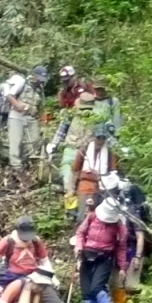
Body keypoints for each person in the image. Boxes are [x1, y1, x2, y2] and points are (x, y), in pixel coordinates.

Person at [74, 192, 127, 303]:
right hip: (87, 255)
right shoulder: (92, 217)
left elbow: (121, 247)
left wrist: (122, 267)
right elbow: (81, 233)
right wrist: (79, 247)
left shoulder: (119, 226)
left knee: (97, 287)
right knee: (86, 290)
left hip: (105, 258)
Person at [46, 91, 99, 221]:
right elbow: (61, 132)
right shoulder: (70, 115)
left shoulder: (97, 119)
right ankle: (70, 210)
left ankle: (85, 211)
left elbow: (105, 136)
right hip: (71, 149)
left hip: (89, 152)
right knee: (68, 181)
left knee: (85, 182)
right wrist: (54, 144)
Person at [0, 216, 49, 303]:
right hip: (12, 275)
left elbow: (44, 260)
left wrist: (51, 276)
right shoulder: (9, 241)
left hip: (33, 275)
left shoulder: (35, 241)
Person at [3, 66, 47, 173]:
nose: (40, 81)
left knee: (35, 140)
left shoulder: (39, 89)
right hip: (16, 116)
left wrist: (43, 121)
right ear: (34, 75)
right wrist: (17, 104)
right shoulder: (22, 83)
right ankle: (16, 166)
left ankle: (25, 161)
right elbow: (9, 95)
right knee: (16, 141)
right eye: (39, 78)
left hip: (31, 118)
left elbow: (41, 106)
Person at [73, 125, 118, 221]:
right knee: (82, 215)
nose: (100, 141)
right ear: (94, 137)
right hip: (85, 184)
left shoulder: (109, 152)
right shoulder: (84, 149)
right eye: (98, 138)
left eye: (103, 138)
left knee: (99, 215)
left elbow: (113, 171)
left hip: (102, 186)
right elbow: (76, 168)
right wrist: (72, 187)